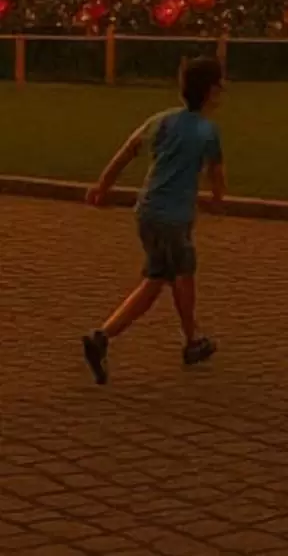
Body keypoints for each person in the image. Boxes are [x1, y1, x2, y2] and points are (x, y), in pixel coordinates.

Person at [80, 56, 226, 384]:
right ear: (211, 92)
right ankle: (190, 342)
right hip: (173, 219)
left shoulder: (160, 120)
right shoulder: (208, 132)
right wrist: (216, 200)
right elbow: (217, 176)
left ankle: (103, 337)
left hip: (146, 212)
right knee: (182, 276)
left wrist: (103, 186)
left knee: (156, 280)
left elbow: (127, 151)